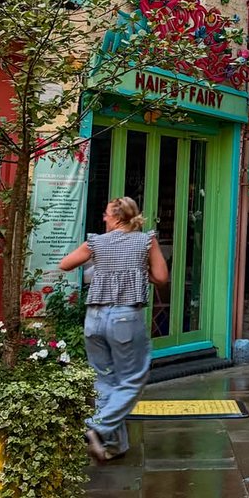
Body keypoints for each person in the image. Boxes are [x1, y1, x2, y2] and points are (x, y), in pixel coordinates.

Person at [59, 196, 169, 464]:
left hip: (94, 318)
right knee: (132, 379)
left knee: (104, 379)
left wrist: (101, 263)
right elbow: (162, 278)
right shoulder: (145, 241)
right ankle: (98, 426)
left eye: (107, 214)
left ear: (118, 217)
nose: (104, 218)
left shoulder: (96, 242)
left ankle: (115, 445)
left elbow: (65, 264)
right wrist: (139, 270)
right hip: (125, 318)